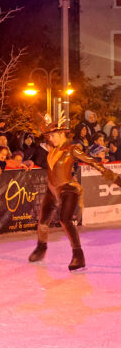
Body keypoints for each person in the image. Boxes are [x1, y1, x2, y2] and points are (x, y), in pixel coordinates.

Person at [28, 113, 121, 271]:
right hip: (52, 189)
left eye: (54, 136)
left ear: (62, 134)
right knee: (43, 222)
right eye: (50, 136)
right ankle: (41, 247)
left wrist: (115, 178)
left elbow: (92, 162)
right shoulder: (51, 151)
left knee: (65, 219)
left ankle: (78, 256)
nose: (52, 139)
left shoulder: (72, 149)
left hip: (68, 188)